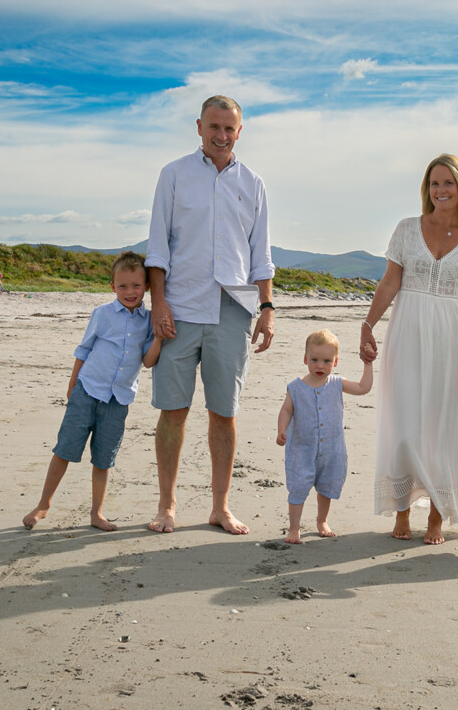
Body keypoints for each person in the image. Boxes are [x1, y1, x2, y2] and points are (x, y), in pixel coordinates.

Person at [144, 95, 275, 535]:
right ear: (199, 127)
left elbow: (261, 255)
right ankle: (167, 506)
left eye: (229, 129)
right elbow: (158, 247)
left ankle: (220, 506)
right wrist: (157, 302)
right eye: (214, 127)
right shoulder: (174, 175)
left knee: (224, 413)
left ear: (240, 131)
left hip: (233, 310)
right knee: (174, 411)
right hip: (179, 307)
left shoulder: (253, 183)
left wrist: (268, 308)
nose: (221, 136)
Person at [360, 153, 458, 544]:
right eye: (434, 184)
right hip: (408, 330)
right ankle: (401, 510)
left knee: (444, 425)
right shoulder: (406, 229)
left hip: (453, 339)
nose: (440, 191)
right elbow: (388, 283)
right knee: (404, 422)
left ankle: (436, 515)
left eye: (448, 183)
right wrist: (368, 325)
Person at [22, 253, 161, 531]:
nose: (129, 292)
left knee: (103, 460)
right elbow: (83, 350)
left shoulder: (148, 321)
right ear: (112, 287)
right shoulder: (102, 314)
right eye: (122, 286)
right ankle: (43, 505)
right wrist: (72, 385)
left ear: (146, 286)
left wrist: (158, 335)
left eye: (135, 286)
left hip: (118, 400)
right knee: (64, 450)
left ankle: (96, 513)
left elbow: (148, 361)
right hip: (87, 391)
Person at [276, 329, 373, 543]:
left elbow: (363, 388)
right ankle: (294, 527)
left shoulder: (337, 383)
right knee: (299, 486)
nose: (320, 366)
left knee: (327, 486)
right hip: (302, 449)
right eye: (315, 360)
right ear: (305, 359)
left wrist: (368, 364)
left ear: (336, 362)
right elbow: (286, 411)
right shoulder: (296, 387)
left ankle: (322, 521)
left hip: (331, 450)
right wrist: (281, 429)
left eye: (327, 361)